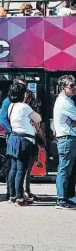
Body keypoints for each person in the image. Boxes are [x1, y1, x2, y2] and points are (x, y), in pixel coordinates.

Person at [6, 83, 41, 207]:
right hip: (24, 140)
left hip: (13, 138)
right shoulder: (24, 107)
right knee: (21, 170)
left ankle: (12, 196)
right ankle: (20, 199)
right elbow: (38, 119)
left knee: (13, 169)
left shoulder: (11, 106)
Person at [0, 77, 27, 199]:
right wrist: (12, 131)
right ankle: (11, 193)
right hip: (15, 136)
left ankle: (17, 192)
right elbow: (2, 118)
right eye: (21, 86)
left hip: (18, 135)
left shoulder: (21, 101)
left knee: (17, 167)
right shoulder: (8, 101)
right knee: (13, 166)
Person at [53, 75, 76, 209]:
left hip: (68, 138)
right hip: (67, 139)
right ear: (63, 88)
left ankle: (68, 196)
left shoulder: (65, 100)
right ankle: (61, 199)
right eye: (71, 86)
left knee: (69, 170)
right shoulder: (65, 102)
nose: (74, 88)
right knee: (64, 169)